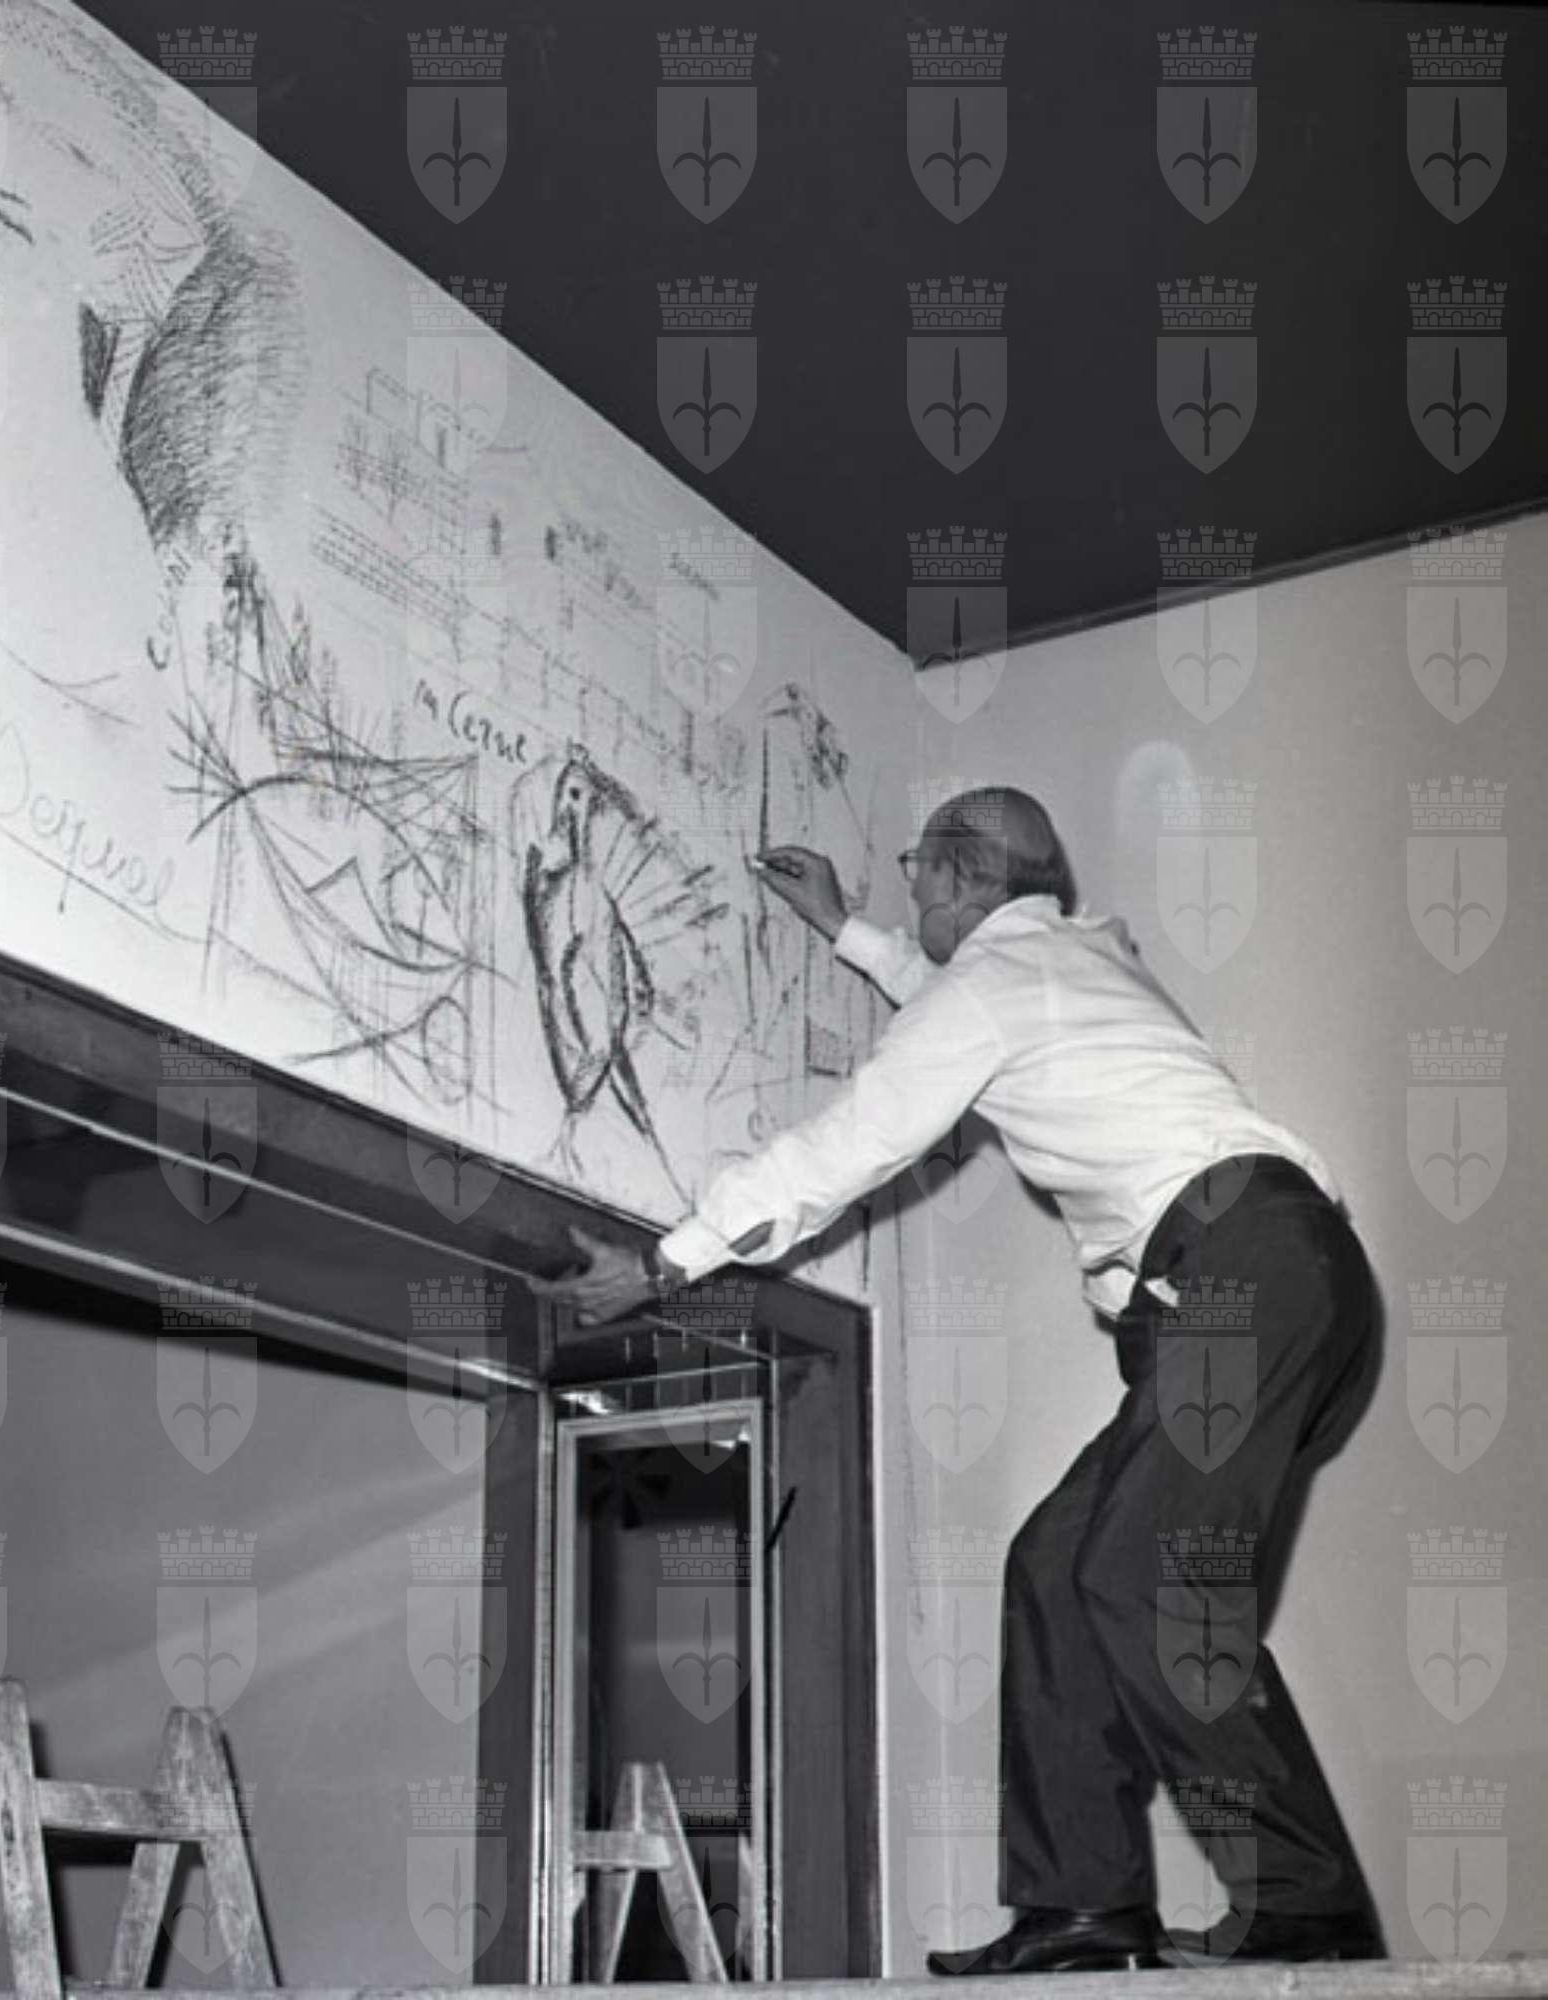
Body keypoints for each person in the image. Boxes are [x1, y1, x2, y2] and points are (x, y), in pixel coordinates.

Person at [532, 787, 1387, 1970]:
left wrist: (665, 1260)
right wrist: (847, 930)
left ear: (954, 876)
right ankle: (1079, 1905)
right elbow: (967, 999)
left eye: (917, 874)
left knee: (1147, 1577)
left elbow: (851, 1139)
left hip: (1240, 1270)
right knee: (1056, 1568)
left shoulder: (998, 983)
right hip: (1282, 1276)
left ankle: (1307, 1907)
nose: (914, 895)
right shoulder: (1076, 958)